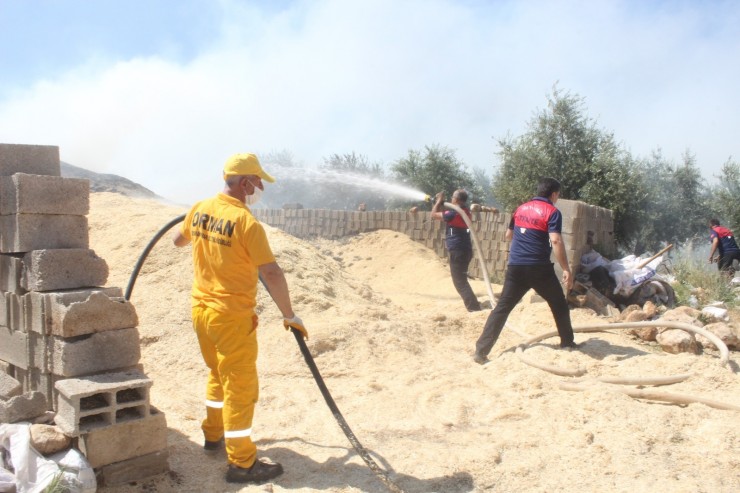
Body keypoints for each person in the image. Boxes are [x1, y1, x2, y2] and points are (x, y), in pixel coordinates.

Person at [172, 153, 308, 484]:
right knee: (240, 388)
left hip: (201, 312)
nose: (261, 186)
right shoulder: (247, 223)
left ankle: (212, 435)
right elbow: (272, 273)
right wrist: (290, 314)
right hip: (231, 317)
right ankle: (242, 464)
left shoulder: (201, 207)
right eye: (258, 181)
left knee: (218, 375)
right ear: (245, 183)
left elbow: (178, 240)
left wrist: (200, 225)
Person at [473, 178, 575, 364]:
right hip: (539, 268)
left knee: (502, 308)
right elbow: (556, 240)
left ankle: (481, 351)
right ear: (553, 194)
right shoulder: (552, 211)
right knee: (559, 303)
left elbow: (508, 235)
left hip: (516, 267)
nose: (557, 198)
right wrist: (566, 269)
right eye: (558, 195)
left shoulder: (520, 208)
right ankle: (567, 343)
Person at [432, 189, 483, 312]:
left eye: (453, 197)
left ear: (457, 200)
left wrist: (438, 201)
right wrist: (438, 203)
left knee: (459, 282)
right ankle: (473, 303)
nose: (451, 199)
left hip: (458, 251)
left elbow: (434, 215)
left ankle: (474, 307)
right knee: (462, 279)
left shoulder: (454, 214)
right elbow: (443, 213)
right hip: (465, 250)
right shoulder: (464, 212)